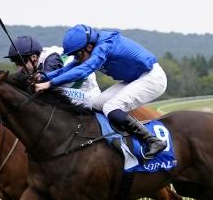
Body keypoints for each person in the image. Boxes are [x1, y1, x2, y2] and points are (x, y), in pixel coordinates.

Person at [34, 24, 167, 159]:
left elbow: (84, 70)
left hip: (152, 78)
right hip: (134, 79)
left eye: (78, 54)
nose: (77, 58)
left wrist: (50, 84)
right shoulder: (90, 48)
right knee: (95, 104)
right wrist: (45, 76)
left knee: (111, 107)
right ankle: (111, 138)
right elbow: (71, 67)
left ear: (89, 47)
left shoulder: (105, 46)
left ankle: (152, 140)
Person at [4, 35, 101, 108]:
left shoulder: (52, 59)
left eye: (21, 62)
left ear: (34, 57)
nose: (19, 68)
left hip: (87, 95)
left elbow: (45, 79)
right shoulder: (39, 57)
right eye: (15, 62)